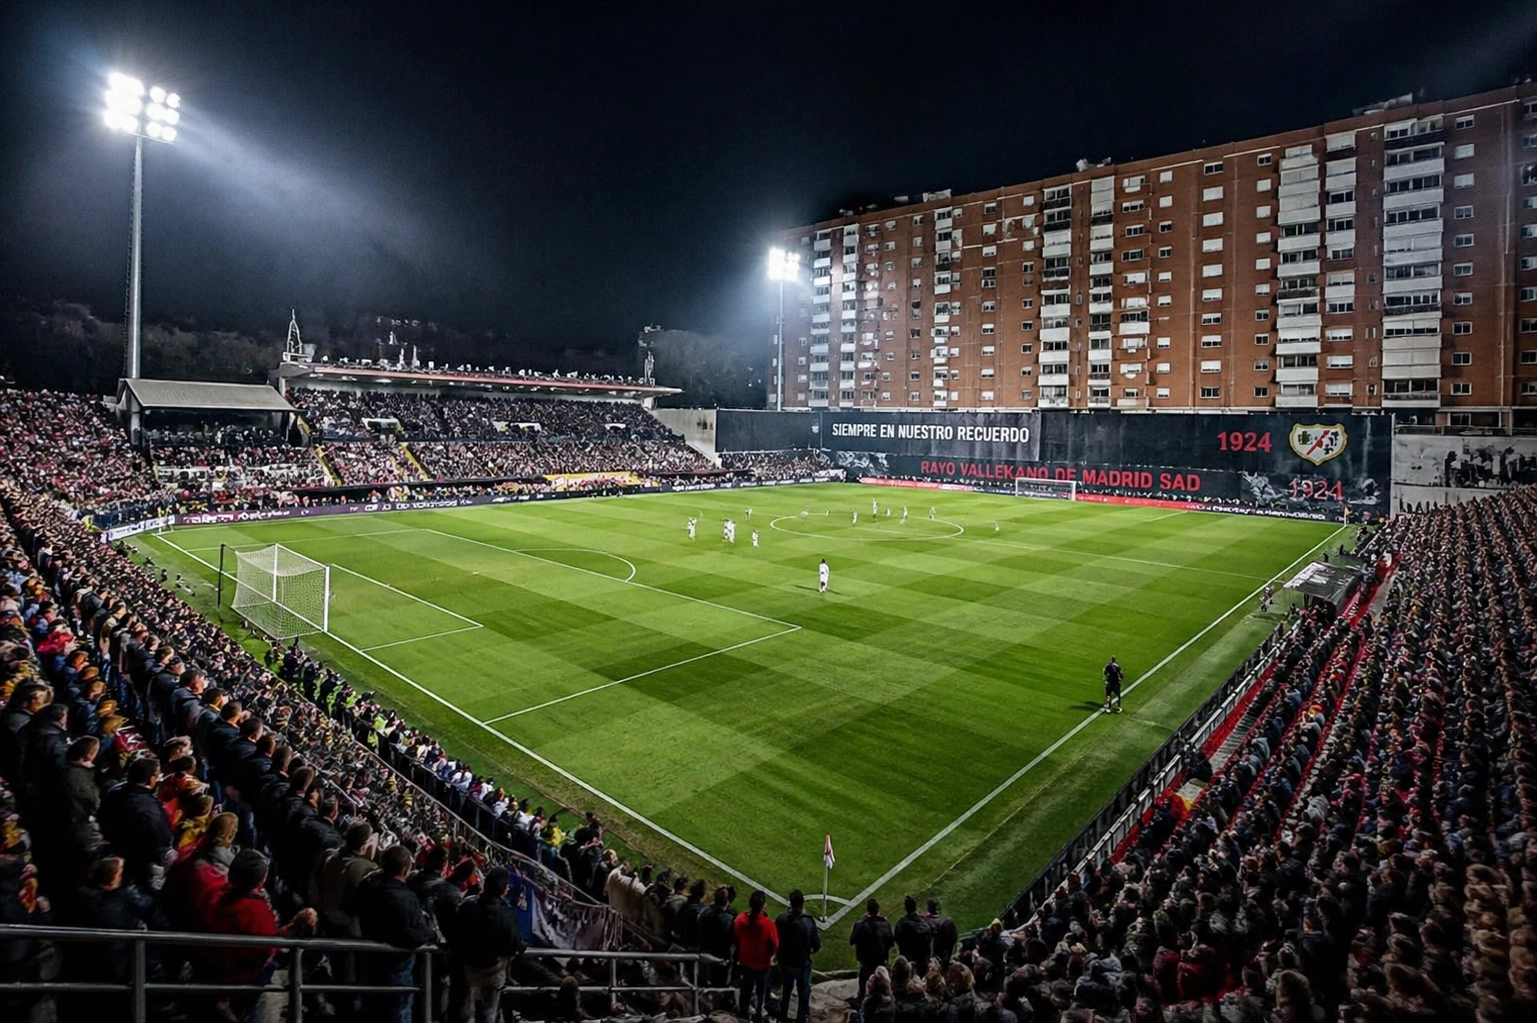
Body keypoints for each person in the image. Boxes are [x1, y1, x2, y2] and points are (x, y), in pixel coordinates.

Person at [449, 865, 526, 1023]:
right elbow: (516, 943)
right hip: (493, 970)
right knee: (488, 1014)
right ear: (503, 889)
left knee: (465, 1013)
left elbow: (455, 933)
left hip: (468, 968)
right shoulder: (505, 912)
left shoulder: (467, 905)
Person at [775, 889, 821, 1023]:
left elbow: (775, 941)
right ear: (802, 903)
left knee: (786, 992)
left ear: (790, 903)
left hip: (787, 963)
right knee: (803, 993)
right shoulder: (809, 921)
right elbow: (816, 946)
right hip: (803, 964)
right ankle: (801, 1018)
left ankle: (783, 1016)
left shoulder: (781, 919)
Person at [734, 889, 778, 1023]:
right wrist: (771, 957)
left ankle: (743, 1015)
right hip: (762, 966)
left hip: (745, 963)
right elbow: (775, 945)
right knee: (761, 994)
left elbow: (736, 936)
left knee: (745, 992)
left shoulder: (740, 920)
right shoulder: (768, 924)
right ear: (763, 906)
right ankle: (759, 1016)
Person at [849, 898, 894, 1005]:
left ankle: (862, 999)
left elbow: (852, 941)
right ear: (878, 910)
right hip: (880, 960)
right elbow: (891, 943)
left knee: (864, 981)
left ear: (868, 910)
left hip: (866, 960)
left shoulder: (860, 925)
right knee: (880, 984)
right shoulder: (885, 924)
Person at [893, 894, 932, 966]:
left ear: (905, 908)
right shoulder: (925, 921)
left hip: (908, 960)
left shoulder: (901, 923)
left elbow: (897, 940)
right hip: (922, 959)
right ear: (915, 907)